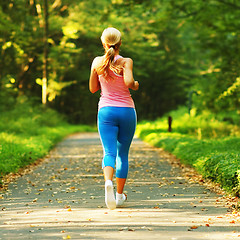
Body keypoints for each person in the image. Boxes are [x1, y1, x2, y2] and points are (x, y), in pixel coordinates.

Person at [89, 27, 139, 210]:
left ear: (103, 43)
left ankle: (108, 181)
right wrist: (135, 84)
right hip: (126, 111)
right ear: (120, 43)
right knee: (122, 154)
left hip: (106, 111)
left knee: (109, 152)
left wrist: (97, 72)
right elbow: (128, 83)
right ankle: (119, 196)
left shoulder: (97, 62)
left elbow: (93, 88)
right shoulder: (126, 61)